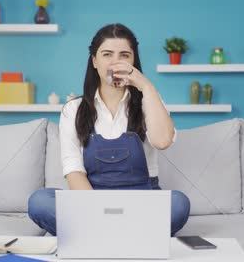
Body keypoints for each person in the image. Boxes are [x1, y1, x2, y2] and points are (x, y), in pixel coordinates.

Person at [28, 23, 190, 236]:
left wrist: (145, 85)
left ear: (133, 62)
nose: (116, 62)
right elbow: (74, 172)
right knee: (39, 201)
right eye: (107, 54)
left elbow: (162, 141)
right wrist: (98, 212)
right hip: (91, 198)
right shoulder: (73, 110)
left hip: (142, 201)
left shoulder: (149, 100)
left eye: (124, 55)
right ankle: (129, 236)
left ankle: (96, 237)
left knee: (179, 203)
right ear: (94, 61)